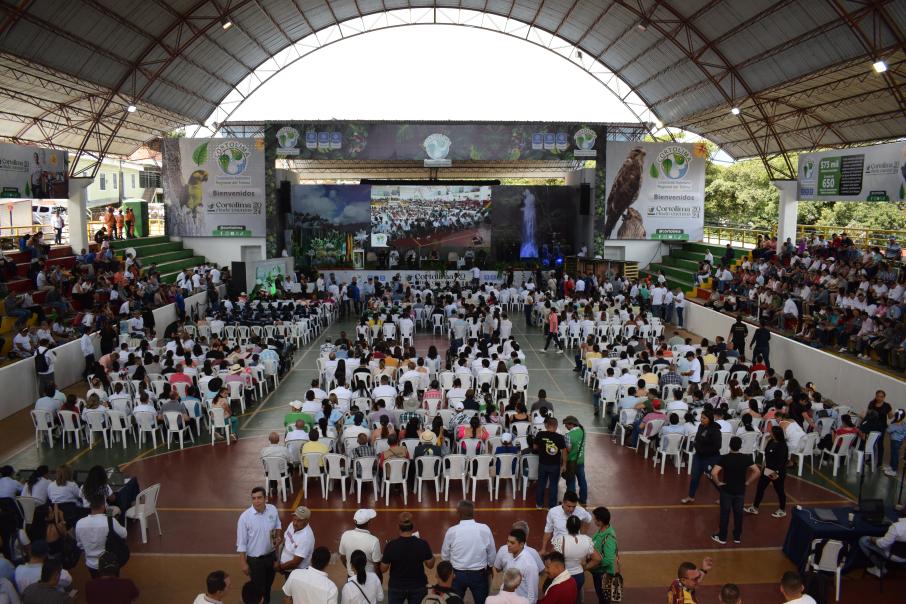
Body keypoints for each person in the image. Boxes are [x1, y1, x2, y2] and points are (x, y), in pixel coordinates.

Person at [441, 500, 496, 604]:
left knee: (454, 602)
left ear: (458, 513)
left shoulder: (452, 531)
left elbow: (445, 556)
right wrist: (489, 566)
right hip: (479, 575)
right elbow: (492, 553)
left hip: (457, 575)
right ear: (473, 512)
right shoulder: (484, 529)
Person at [710, 436, 761, 545]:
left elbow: (714, 473)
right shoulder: (746, 458)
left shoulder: (724, 458)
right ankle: (737, 536)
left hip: (727, 490)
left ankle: (722, 537)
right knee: (738, 514)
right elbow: (757, 471)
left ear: (729, 445)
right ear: (740, 446)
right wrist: (747, 482)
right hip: (740, 490)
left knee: (725, 513)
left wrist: (718, 483)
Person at [236, 486, 280, 604]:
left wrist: (276, 556)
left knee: (267, 588)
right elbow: (241, 543)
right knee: (258, 591)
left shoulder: (272, 510)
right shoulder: (245, 518)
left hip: (270, 557)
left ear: (265, 498)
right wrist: (243, 563)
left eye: (259, 498)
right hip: (255, 562)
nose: (256, 501)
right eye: (254, 498)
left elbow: (277, 528)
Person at [380, 512, 435, 604]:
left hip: (396, 586)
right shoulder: (422, 544)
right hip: (418, 586)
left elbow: (383, 569)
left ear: (398, 527)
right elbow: (430, 565)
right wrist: (427, 551)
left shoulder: (391, 545)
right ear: (412, 527)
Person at [75, 493, 127, 577]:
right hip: (110, 563)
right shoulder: (110, 521)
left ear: (90, 506)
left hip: (91, 564)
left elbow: (80, 545)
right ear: (104, 505)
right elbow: (124, 534)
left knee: (97, 585)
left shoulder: (79, 523)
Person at [745, 426, 789, 518]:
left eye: (771, 432)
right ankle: (755, 507)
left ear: (776, 434)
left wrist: (775, 473)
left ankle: (782, 510)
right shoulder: (771, 441)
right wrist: (764, 468)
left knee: (779, 490)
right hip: (768, 470)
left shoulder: (782, 446)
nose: (770, 433)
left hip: (776, 472)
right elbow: (767, 455)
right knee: (760, 488)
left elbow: (782, 461)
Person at [552, 515, 600, 599]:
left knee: (564, 599)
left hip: (564, 576)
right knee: (575, 596)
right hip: (579, 577)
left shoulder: (560, 540)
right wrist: (585, 567)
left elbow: (553, 559)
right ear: (579, 527)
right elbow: (597, 559)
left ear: (567, 526)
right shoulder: (587, 539)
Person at [681, 410, 722, 504]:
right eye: (701, 417)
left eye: (704, 418)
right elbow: (697, 438)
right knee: (694, 477)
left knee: (712, 477)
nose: (701, 420)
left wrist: (704, 451)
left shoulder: (716, 431)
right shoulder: (700, 426)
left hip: (710, 458)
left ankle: (723, 494)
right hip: (698, 456)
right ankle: (691, 496)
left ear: (710, 419)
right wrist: (696, 445)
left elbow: (717, 446)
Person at [492, 528, 543, 604]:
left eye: (512, 543)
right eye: (508, 541)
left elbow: (532, 596)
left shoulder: (529, 564)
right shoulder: (511, 555)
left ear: (521, 544)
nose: (508, 545)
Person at [858, 508, 906, 578]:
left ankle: (880, 567)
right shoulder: (897, 526)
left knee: (863, 540)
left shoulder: (896, 527)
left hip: (894, 555)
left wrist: (873, 539)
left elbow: (882, 544)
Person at [534, 417, 567, 510]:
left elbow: (535, 447)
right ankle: (551, 506)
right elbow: (564, 452)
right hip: (555, 466)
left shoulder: (540, 434)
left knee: (541, 484)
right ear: (556, 426)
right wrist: (564, 464)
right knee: (553, 485)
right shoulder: (560, 437)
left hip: (542, 464)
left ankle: (539, 504)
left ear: (546, 425)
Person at [339, 509, 382, 577]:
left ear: (354, 521)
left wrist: (349, 569)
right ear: (368, 522)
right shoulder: (374, 541)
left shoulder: (345, 535)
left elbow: (342, 557)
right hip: (368, 578)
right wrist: (379, 578)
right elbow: (376, 565)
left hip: (351, 576)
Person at [588, 506, 617, 604]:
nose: (594, 520)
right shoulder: (601, 530)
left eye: (595, 518)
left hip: (603, 574)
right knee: (601, 596)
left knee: (604, 599)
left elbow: (608, 560)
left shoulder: (609, 537)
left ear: (600, 521)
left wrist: (594, 563)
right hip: (598, 572)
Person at [277, 507, 314, 576]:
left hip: (296, 573)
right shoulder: (292, 525)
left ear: (306, 521)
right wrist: (279, 560)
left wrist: (280, 568)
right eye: (294, 519)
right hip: (286, 567)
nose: (295, 523)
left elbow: (295, 563)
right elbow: (285, 542)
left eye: (299, 521)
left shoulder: (306, 538)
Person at [562, 416, 587, 505]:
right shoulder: (582, 431)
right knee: (582, 481)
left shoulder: (568, 435)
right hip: (580, 460)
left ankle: (570, 501)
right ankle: (583, 500)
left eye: (566, 425)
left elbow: (568, 450)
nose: (565, 427)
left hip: (571, 462)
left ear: (571, 424)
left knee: (571, 481)